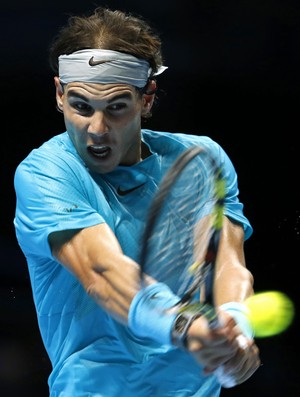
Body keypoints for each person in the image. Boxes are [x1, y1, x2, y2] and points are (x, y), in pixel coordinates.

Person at [13, 6, 261, 397]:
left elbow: (230, 265)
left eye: (116, 108)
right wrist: (185, 326)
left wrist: (235, 329)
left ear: (146, 99)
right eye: (81, 106)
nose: (97, 130)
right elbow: (105, 274)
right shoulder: (46, 172)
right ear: (59, 94)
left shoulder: (203, 159)